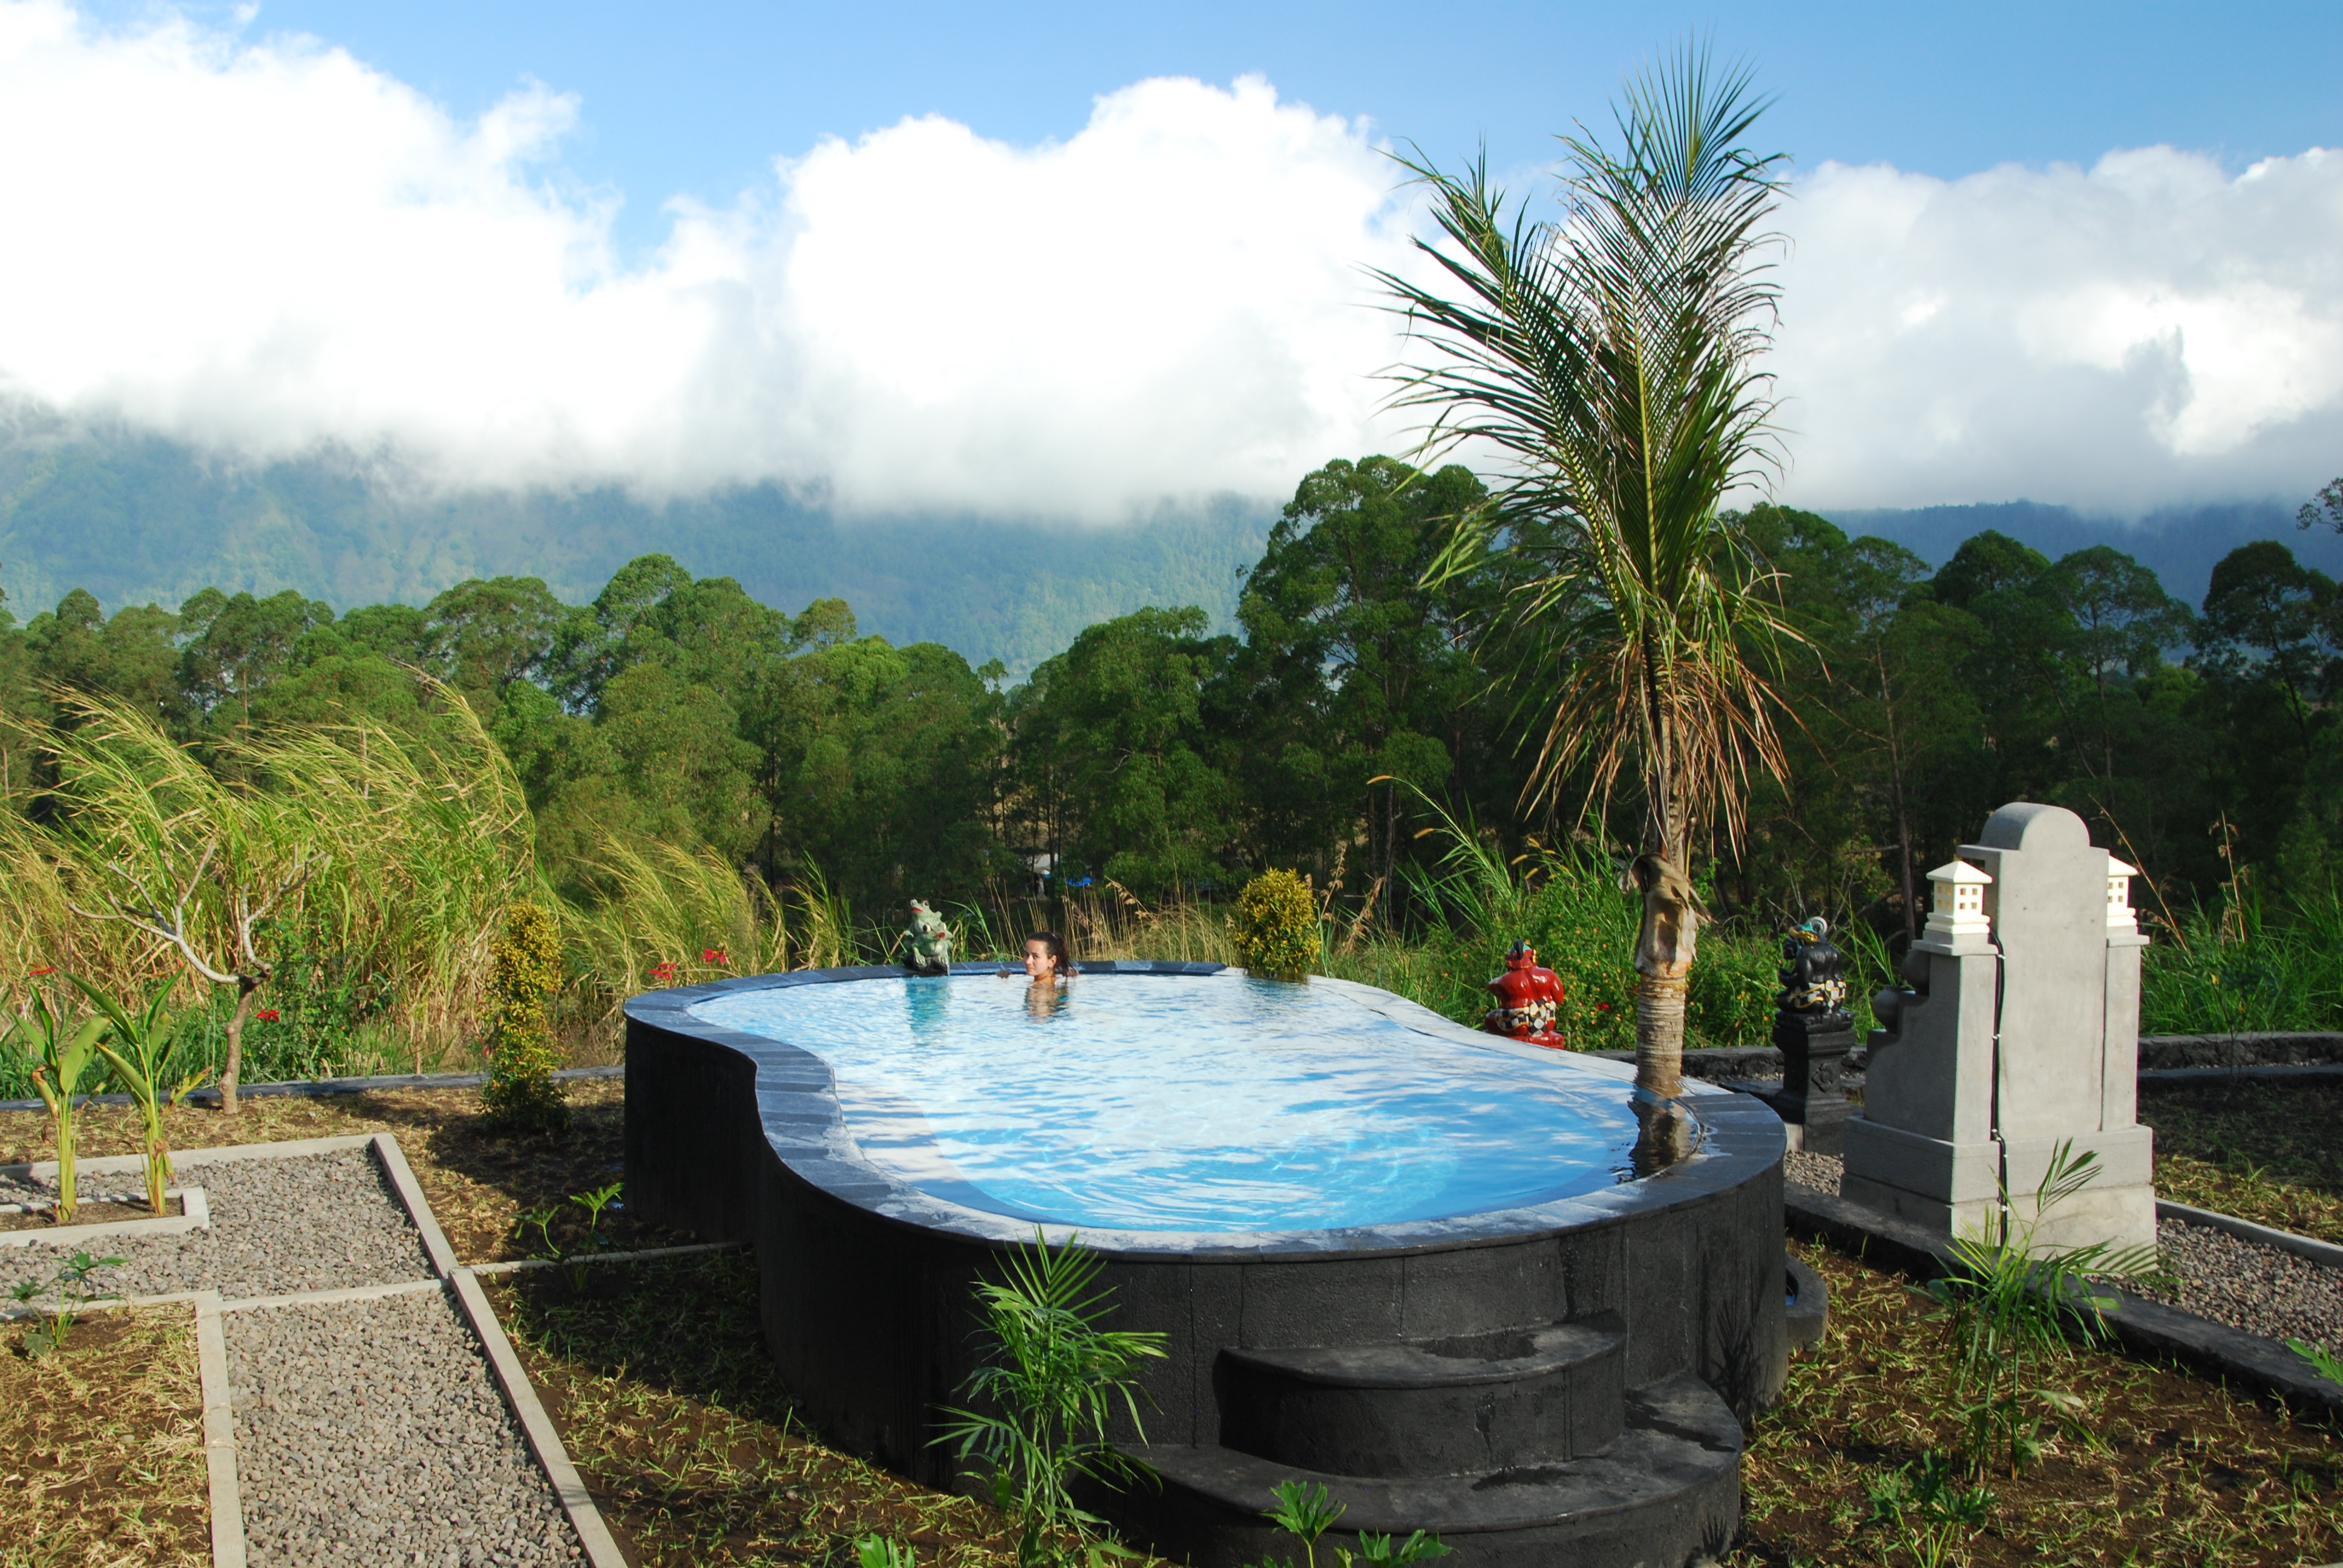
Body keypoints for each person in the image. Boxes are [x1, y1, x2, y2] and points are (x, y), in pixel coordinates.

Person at [1000, 930, 1074, 984]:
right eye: (1027, 955)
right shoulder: (1061, 981)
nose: (1028, 961)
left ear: (1052, 961)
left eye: (1036, 956)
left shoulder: (1036, 988)